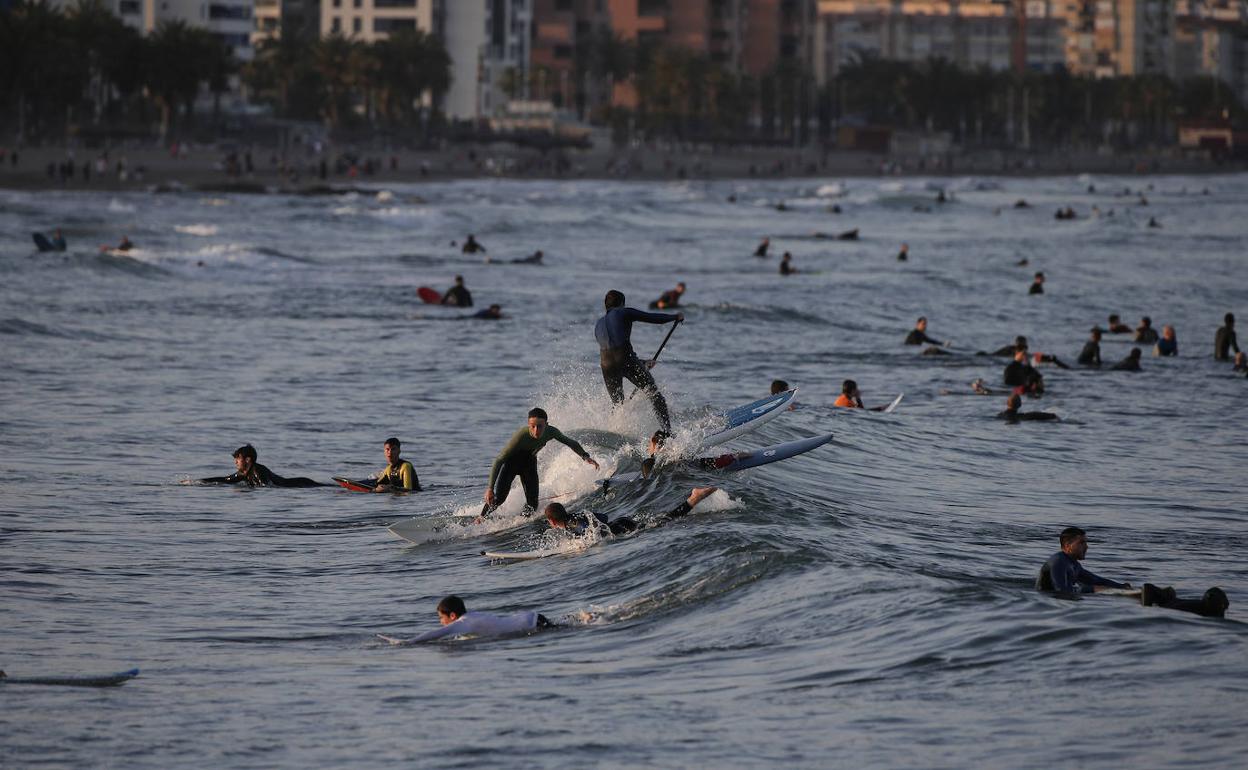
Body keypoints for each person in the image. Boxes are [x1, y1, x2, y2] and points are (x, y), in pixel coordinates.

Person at [482, 408, 599, 516]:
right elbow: (499, 460)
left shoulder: (551, 432)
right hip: (511, 465)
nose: (536, 430)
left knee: (533, 504)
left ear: (546, 425)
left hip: (529, 465)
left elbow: (570, 442)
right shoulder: (521, 435)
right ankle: (481, 518)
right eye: (532, 426)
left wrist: (585, 456)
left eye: (540, 426)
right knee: (499, 499)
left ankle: (522, 521)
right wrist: (490, 488)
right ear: (528, 425)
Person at [595, 290, 682, 433]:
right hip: (625, 359)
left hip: (606, 365)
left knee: (618, 404)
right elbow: (651, 317)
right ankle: (668, 433)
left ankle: (613, 433)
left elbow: (612, 352)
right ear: (621, 303)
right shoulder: (624, 312)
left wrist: (642, 363)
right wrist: (675, 316)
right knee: (655, 395)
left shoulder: (598, 325)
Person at [545, 487, 718, 537]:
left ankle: (694, 498)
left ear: (552, 522)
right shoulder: (575, 516)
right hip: (620, 522)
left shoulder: (570, 524)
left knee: (667, 521)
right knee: (663, 520)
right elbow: (603, 517)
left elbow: (591, 530)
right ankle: (694, 503)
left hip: (620, 530)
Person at [378, 595, 553, 645]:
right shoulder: (472, 616)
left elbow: (435, 634)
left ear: (452, 616)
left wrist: (407, 642)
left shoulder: (463, 623)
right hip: (530, 617)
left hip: (531, 623)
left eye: (441, 618)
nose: (441, 622)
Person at [1036, 527, 1132, 596]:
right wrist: (1092, 589)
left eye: (1086, 542)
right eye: (1081, 543)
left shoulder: (1074, 565)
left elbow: (1096, 580)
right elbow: (1061, 591)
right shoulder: (1058, 562)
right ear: (1067, 546)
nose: (1086, 546)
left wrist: (1121, 586)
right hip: (1047, 606)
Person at [198, 444, 323, 488]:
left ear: (247, 460)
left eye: (238, 459)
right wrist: (199, 481)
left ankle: (340, 488)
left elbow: (266, 486)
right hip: (298, 483)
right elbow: (225, 480)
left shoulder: (257, 470)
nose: (235, 462)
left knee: (323, 487)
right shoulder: (243, 473)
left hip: (299, 484)